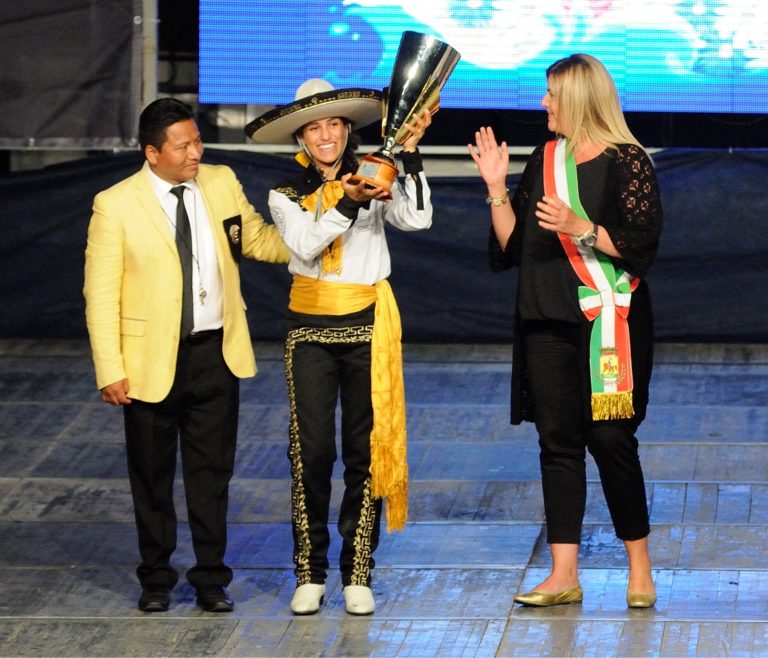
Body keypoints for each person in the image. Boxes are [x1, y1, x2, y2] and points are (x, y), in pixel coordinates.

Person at [468, 54, 662, 609]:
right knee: (557, 445)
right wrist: (496, 189)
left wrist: (583, 229)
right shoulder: (546, 157)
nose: (543, 103)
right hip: (545, 322)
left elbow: (640, 246)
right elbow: (512, 248)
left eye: (551, 94)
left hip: (610, 322)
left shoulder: (629, 162)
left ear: (578, 98)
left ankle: (640, 568)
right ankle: (563, 573)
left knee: (610, 439)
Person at [83, 97, 290, 613]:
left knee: (211, 474)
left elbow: (257, 239)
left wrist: (323, 237)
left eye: (197, 141)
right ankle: (155, 579)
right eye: (184, 145)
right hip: (150, 361)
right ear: (153, 153)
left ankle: (210, 578)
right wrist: (110, 368)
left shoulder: (218, 182)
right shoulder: (116, 203)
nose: (196, 151)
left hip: (215, 354)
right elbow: (101, 294)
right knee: (151, 477)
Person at [245, 80, 433, 616]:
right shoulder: (284, 192)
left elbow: (417, 218)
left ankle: (358, 571)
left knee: (363, 451)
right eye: (314, 128)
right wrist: (349, 204)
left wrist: (410, 158)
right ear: (300, 138)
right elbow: (304, 244)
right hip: (309, 330)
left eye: (334, 125)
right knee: (311, 451)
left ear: (347, 128)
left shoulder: (377, 172)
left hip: (367, 327)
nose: (326, 136)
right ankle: (310, 572)